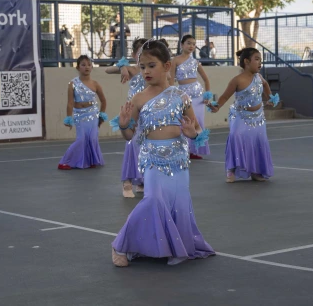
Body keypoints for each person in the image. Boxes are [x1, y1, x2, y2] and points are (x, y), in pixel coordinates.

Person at [111, 40, 215, 267]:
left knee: (177, 203)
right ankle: (120, 244)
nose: (146, 71)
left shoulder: (181, 96)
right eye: (142, 67)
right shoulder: (138, 99)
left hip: (178, 159)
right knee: (153, 200)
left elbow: (197, 129)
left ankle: (175, 246)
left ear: (167, 66)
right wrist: (123, 125)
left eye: (151, 65)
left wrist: (192, 133)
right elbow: (130, 136)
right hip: (153, 160)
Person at [208, 48, 278, 183]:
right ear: (246, 61)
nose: (260, 63)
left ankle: (256, 171)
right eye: (257, 59)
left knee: (258, 141)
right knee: (236, 137)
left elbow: (265, 85)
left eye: (260, 60)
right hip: (241, 116)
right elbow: (224, 97)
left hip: (258, 117)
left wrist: (270, 98)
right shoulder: (237, 80)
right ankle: (232, 169)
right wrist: (216, 107)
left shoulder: (259, 77)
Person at [106, 38, 148, 197]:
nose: (144, 55)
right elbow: (107, 71)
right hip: (132, 111)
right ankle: (127, 181)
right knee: (132, 144)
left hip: (148, 112)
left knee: (145, 145)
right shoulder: (132, 69)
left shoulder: (152, 71)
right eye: (140, 52)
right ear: (133, 54)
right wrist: (122, 66)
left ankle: (141, 181)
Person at [58, 55, 107, 170]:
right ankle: (65, 161)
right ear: (78, 67)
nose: (87, 67)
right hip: (80, 114)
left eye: (89, 65)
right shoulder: (72, 84)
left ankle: (91, 161)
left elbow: (103, 101)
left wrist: (101, 115)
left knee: (93, 138)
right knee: (81, 139)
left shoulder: (95, 84)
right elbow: (70, 103)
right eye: (83, 65)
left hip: (93, 113)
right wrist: (69, 118)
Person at [170, 35, 212, 160]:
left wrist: (207, 95)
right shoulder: (175, 60)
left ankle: (195, 150)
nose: (191, 46)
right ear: (182, 44)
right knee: (185, 121)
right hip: (183, 94)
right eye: (189, 43)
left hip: (198, 95)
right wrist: (171, 95)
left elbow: (206, 79)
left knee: (198, 121)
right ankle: (184, 150)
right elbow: (171, 79)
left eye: (193, 44)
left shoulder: (195, 62)